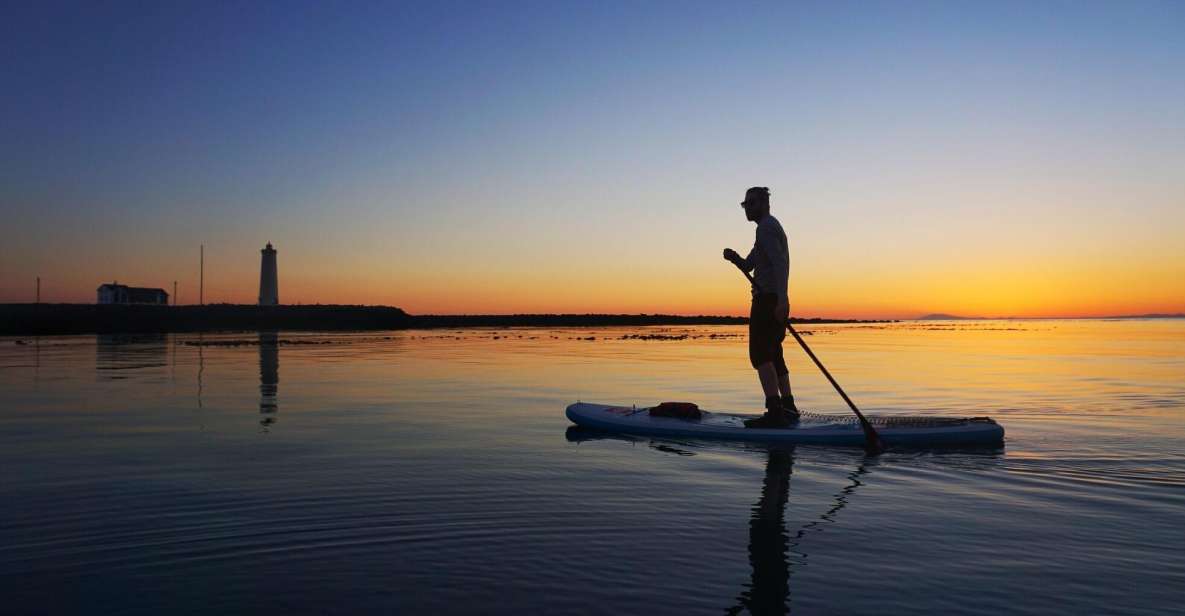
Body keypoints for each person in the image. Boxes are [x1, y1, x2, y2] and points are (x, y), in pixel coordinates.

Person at [723, 187, 799, 428]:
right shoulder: (765, 229)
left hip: (768, 300)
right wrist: (735, 260)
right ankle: (788, 406)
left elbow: (780, 264)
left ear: (764, 204)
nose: (747, 208)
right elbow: (750, 264)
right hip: (771, 298)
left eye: (752, 203)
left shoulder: (766, 228)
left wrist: (782, 300)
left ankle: (775, 412)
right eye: (745, 204)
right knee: (774, 354)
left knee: (759, 354)